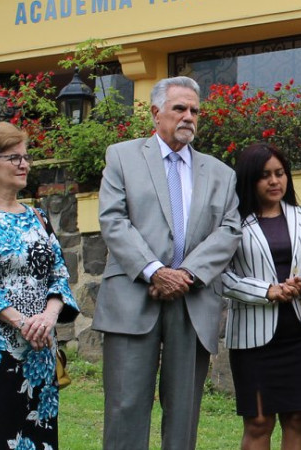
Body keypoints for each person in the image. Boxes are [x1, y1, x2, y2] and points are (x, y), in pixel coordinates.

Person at [92, 76, 243, 450]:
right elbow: (113, 220)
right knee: (125, 407)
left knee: (183, 413)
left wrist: (186, 274)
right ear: (155, 112)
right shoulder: (122, 156)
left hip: (191, 299)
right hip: (133, 295)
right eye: (180, 108)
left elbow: (229, 230)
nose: (189, 116)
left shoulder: (221, 173)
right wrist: (155, 271)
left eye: (194, 110)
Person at [0, 122, 80, 450]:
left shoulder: (38, 217)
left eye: (25, 157)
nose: (24, 164)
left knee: (40, 434)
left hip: (41, 345)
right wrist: (21, 321)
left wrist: (48, 317)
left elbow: (59, 274)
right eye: (13, 157)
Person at [218, 142, 301, 450]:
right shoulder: (232, 224)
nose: (274, 181)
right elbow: (220, 276)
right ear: (249, 179)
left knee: (298, 419)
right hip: (253, 338)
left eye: (280, 173)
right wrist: (267, 291)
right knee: (258, 422)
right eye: (265, 175)